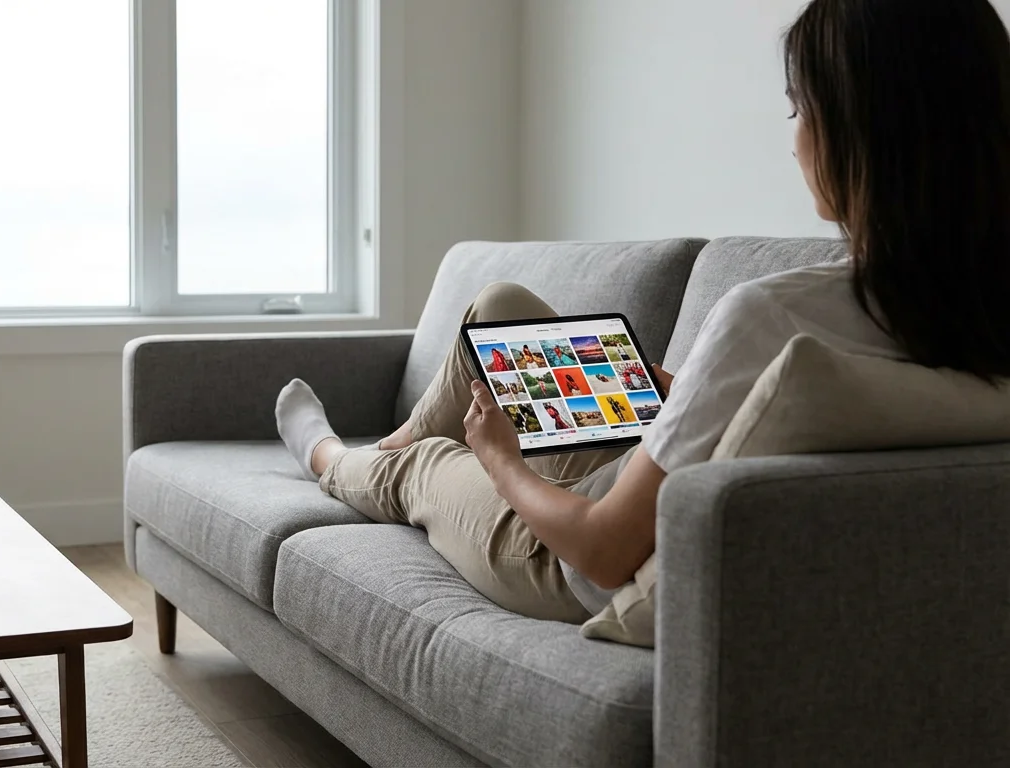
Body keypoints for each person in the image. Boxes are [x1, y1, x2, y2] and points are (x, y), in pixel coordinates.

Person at [272, 0, 1010, 621]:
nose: (793, 141)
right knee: (500, 307)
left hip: (562, 555)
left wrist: (497, 459)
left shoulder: (769, 315)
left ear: (856, 129)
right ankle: (391, 442)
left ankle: (332, 458)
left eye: (798, 108)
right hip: (635, 473)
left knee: (433, 464)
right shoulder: (970, 311)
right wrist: (686, 395)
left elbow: (602, 550)